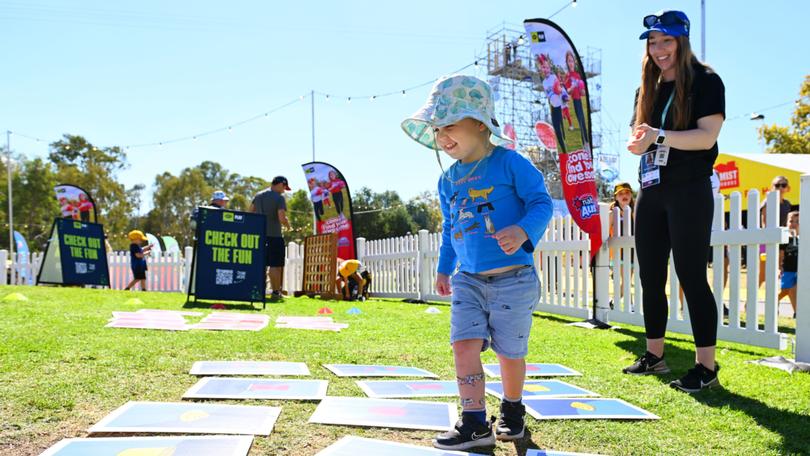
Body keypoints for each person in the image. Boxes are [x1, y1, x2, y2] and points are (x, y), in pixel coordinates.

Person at [401, 75, 553, 450]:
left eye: (449, 125)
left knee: (509, 352)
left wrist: (521, 230)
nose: (441, 135)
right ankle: (473, 422)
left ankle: (513, 411)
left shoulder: (510, 163)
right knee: (463, 345)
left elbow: (541, 202)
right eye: (436, 128)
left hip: (513, 279)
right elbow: (452, 226)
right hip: (467, 279)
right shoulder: (447, 179)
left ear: (480, 124)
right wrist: (442, 267)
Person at [625, 10, 726, 393]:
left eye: (666, 41)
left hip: (689, 188)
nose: (659, 49)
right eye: (653, 42)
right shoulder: (646, 88)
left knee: (692, 276)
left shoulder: (706, 80)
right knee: (651, 276)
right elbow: (642, 139)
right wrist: (639, 143)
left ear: (681, 42)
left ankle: (706, 366)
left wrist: (659, 136)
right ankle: (655, 356)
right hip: (651, 189)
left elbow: (705, 137)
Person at [250, 176, 292, 301]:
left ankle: (258, 291)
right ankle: (275, 292)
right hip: (274, 235)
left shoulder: (258, 195)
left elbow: (250, 212)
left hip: (258, 235)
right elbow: (281, 218)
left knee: (260, 264)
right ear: (279, 184)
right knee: (275, 265)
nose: (284, 190)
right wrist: (287, 224)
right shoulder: (279, 198)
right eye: (284, 187)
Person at [759, 176, 792, 288]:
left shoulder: (787, 204)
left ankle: (775, 300)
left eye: (783, 185)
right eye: (777, 185)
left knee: (778, 271)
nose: (780, 188)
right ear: (772, 187)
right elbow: (764, 223)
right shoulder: (767, 202)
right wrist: (765, 243)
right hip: (767, 241)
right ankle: (748, 303)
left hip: (781, 241)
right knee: (762, 276)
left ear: (788, 188)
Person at [609, 182, 635, 304]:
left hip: (634, 253)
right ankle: (626, 303)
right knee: (626, 279)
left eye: (627, 193)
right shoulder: (612, 213)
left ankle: (615, 302)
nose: (624, 196)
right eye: (620, 194)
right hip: (618, 253)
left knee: (627, 280)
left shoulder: (636, 211)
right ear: (616, 197)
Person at [537, 54, 567, 153]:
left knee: (562, 126)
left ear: (549, 67)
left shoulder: (554, 77)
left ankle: (565, 143)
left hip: (559, 105)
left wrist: (562, 95)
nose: (545, 69)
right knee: (557, 128)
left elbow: (560, 89)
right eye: (543, 68)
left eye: (546, 67)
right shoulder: (545, 82)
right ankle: (563, 149)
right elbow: (549, 94)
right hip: (553, 106)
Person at [564, 50, 589, 147]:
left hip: (580, 100)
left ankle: (586, 141)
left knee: (583, 120)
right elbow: (568, 91)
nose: (571, 63)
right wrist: (573, 86)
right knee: (579, 119)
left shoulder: (578, 75)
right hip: (574, 100)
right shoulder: (568, 76)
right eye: (569, 61)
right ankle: (584, 142)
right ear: (567, 63)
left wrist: (581, 88)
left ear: (574, 62)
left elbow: (582, 93)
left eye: (572, 60)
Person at [778, 211, 799, 318]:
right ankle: (775, 300)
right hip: (787, 269)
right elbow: (781, 255)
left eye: (797, 221)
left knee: (795, 289)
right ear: (787, 223)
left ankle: (797, 312)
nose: (794, 223)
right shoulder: (785, 238)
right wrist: (779, 267)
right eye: (791, 221)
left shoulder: (801, 238)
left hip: (798, 269)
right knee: (786, 290)